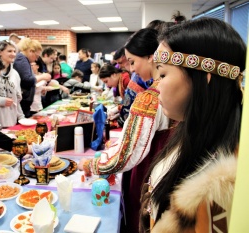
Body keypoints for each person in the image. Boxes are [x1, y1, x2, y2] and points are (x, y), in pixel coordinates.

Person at [139, 18, 246, 233]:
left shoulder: (220, 188)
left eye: (162, 73)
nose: (156, 86)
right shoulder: (187, 132)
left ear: (204, 78)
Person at [78, 28, 171, 233]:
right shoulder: (164, 90)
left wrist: (93, 165)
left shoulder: (151, 96)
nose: (130, 69)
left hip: (147, 169)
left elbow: (128, 153)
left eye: (132, 61)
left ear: (150, 57)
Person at [0, 40, 25, 128]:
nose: (13, 54)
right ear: (0, 52)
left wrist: (21, 117)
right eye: (9, 51)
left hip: (11, 122)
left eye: (14, 51)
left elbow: (16, 100)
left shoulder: (15, 74)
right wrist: (1, 101)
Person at [13, 38, 51, 117]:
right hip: (23, 102)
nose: (36, 59)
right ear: (31, 51)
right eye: (36, 56)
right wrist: (42, 76)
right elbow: (27, 80)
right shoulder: (21, 59)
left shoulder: (24, 59)